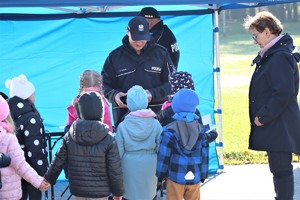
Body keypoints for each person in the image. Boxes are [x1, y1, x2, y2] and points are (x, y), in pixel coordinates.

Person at [243, 11, 300, 200]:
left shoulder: (279, 56)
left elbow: (283, 93)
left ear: (268, 31)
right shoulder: (275, 54)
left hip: (279, 123)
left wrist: (263, 116)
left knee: (282, 170)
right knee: (278, 169)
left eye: (256, 35)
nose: (254, 40)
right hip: (277, 123)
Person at [43, 92, 124, 200]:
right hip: (101, 192)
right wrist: (118, 193)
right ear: (101, 112)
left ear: (80, 112)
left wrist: (48, 179)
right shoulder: (108, 137)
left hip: (78, 191)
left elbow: (58, 160)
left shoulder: (70, 136)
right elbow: (114, 168)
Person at [101, 16, 174, 130]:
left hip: (157, 120)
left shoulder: (161, 53)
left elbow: (172, 83)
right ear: (127, 32)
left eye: (143, 38)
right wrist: (114, 95)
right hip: (125, 121)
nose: (139, 42)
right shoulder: (114, 57)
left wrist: (152, 94)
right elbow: (104, 85)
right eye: (136, 38)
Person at [156, 89, 218, 200]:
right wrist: (203, 175)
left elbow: (163, 156)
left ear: (175, 106)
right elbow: (205, 154)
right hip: (195, 177)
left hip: (174, 176)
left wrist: (160, 176)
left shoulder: (168, 131)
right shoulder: (201, 130)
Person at [5, 74, 49, 200]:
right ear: (26, 95)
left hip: (14, 172)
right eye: (33, 93)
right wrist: (41, 173)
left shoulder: (10, 115)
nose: (34, 96)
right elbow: (35, 149)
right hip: (31, 172)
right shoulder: (31, 118)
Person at [115, 85, 162, 200]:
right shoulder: (156, 124)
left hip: (128, 167)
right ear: (146, 101)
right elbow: (160, 149)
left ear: (129, 103)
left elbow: (118, 152)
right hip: (150, 166)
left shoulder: (122, 126)